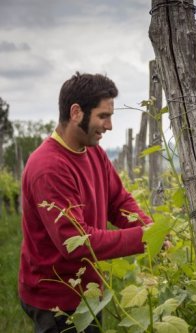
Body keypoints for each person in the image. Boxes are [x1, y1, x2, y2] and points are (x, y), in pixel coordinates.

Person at [19, 72, 154, 333]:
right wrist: (143, 238)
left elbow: (119, 200)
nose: (110, 125)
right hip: (57, 300)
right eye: (103, 116)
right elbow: (77, 243)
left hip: (87, 291)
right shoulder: (48, 168)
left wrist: (152, 229)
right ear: (76, 112)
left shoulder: (93, 152)